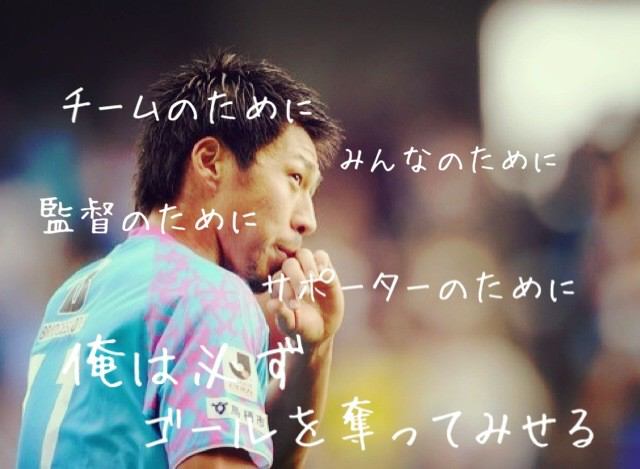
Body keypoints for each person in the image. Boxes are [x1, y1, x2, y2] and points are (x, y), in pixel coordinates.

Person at [17, 51, 345, 469]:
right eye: (295, 178)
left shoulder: (76, 291)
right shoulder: (210, 295)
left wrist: (315, 349)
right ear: (210, 162)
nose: (308, 220)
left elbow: (247, 455)